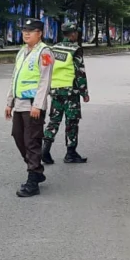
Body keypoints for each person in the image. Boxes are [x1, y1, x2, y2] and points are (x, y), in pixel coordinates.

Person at [5, 18, 54, 198]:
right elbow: (15, 78)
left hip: (33, 104)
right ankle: (36, 169)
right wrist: (9, 102)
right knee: (18, 136)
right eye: (24, 30)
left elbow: (45, 80)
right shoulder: (22, 51)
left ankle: (33, 180)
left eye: (31, 30)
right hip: (19, 104)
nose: (26, 33)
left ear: (39, 33)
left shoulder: (45, 52)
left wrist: (38, 105)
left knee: (32, 141)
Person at [43, 24, 90, 164]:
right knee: (72, 122)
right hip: (70, 91)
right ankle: (71, 153)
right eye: (77, 33)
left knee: (54, 120)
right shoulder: (75, 49)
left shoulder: (52, 49)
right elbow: (80, 72)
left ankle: (45, 148)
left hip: (55, 90)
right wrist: (84, 92)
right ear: (73, 34)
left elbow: (46, 68)